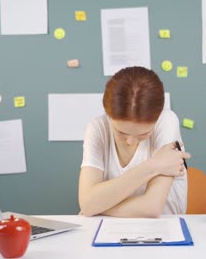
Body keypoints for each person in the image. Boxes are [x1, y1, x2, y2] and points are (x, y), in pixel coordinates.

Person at [78, 66, 191, 217]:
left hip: (164, 228)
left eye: (144, 133)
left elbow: (152, 207)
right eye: (121, 132)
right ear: (108, 114)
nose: (130, 141)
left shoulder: (167, 121)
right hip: (110, 229)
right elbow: (87, 204)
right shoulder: (98, 127)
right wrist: (154, 165)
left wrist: (96, 207)